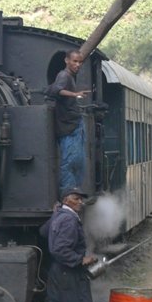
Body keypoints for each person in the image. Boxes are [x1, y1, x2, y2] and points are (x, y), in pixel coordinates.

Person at [44, 186, 100, 302]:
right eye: (76, 198)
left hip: (56, 273)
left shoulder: (58, 215)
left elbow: (43, 232)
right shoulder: (69, 219)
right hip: (70, 273)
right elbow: (59, 249)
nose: (80, 202)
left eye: (81, 199)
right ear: (66, 200)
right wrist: (80, 259)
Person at [47, 50, 91, 194]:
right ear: (67, 60)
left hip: (74, 124)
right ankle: (69, 194)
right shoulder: (64, 75)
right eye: (75, 61)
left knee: (78, 162)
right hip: (69, 127)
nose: (78, 65)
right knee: (70, 162)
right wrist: (75, 94)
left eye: (80, 62)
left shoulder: (70, 76)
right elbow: (56, 90)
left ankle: (74, 192)